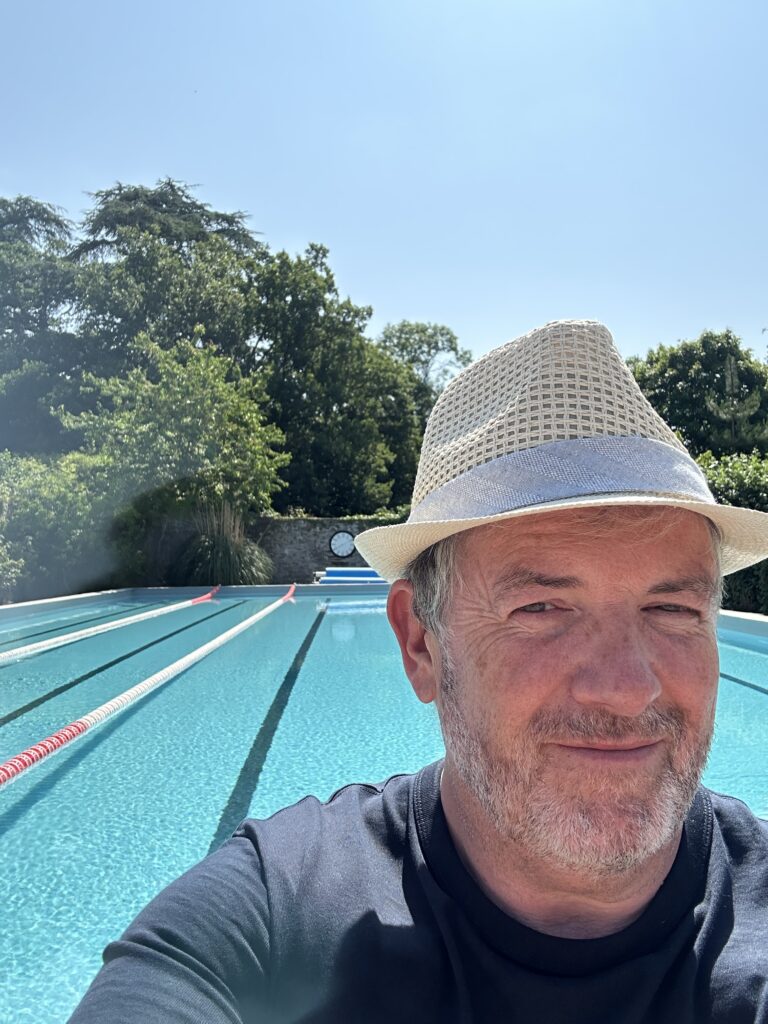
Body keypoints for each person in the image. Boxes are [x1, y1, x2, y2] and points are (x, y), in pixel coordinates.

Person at [69, 320, 768, 1023]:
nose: (626, 688)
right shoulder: (273, 919)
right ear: (420, 644)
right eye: (543, 606)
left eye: (673, 609)